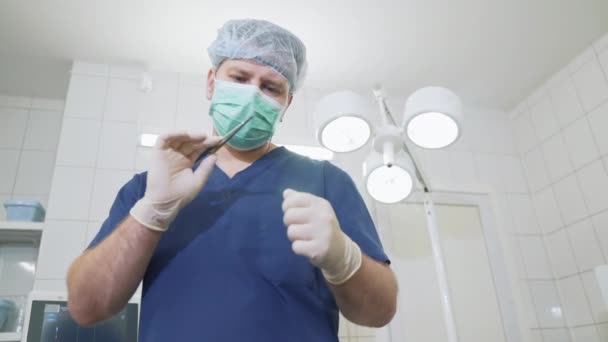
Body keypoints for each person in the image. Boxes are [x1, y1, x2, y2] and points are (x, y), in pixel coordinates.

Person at [66, 18, 398, 341]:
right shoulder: (152, 186)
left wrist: (343, 258)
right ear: (211, 82)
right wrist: (151, 213)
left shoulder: (325, 181)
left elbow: (379, 312)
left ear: (286, 103)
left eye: (271, 87)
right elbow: (86, 307)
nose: (252, 95)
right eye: (239, 78)